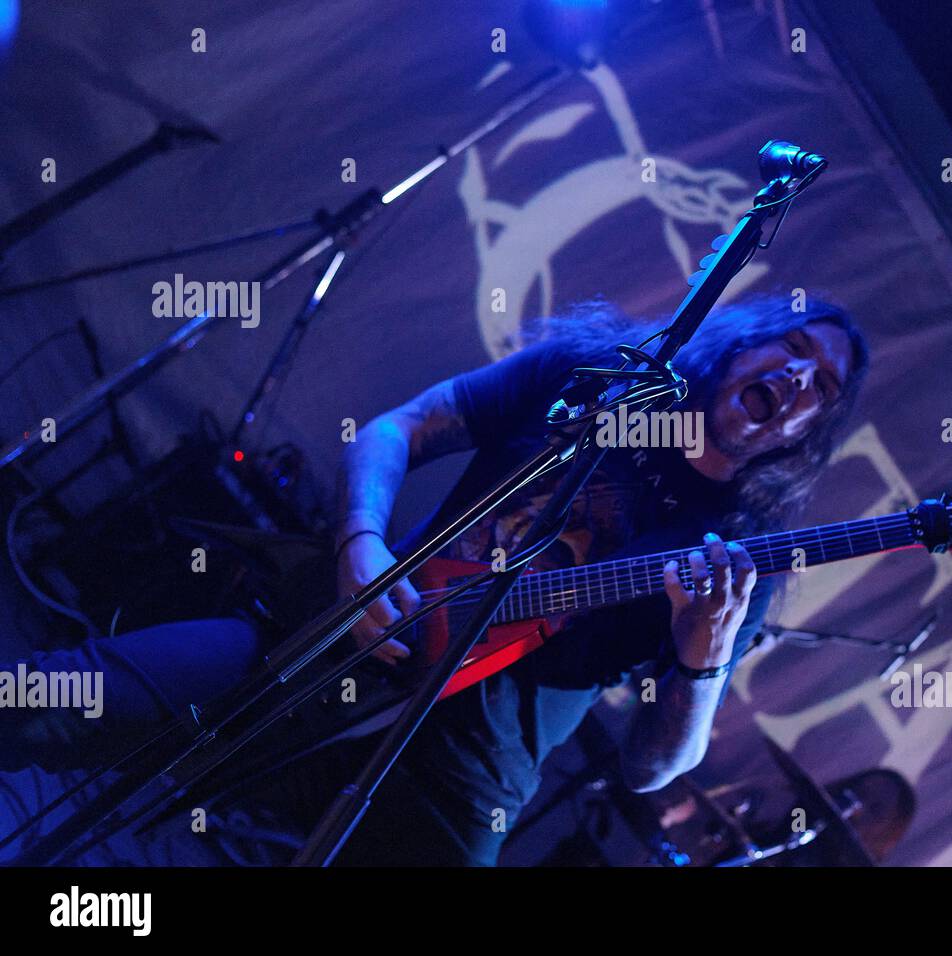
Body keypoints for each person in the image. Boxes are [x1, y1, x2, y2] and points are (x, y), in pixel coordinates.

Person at [1, 293, 868, 866]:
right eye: (791, 348)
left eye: (821, 386)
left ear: (806, 434)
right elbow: (400, 426)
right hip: (331, 646)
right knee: (38, 699)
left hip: (460, 784)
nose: (796, 377)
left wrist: (701, 664)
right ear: (743, 342)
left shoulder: (734, 562)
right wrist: (359, 548)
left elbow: (650, 768)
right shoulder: (595, 375)